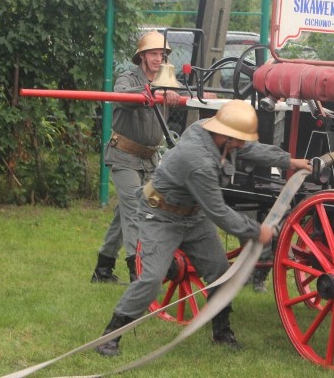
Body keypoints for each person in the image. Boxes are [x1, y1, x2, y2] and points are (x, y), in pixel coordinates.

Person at [95, 99, 311, 355]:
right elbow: (219, 212)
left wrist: (289, 161)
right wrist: (256, 231)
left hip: (194, 216)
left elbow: (250, 149)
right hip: (161, 215)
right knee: (152, 279)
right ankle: (111, 336)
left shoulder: (216, 134)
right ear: (226, 135)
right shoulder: (197, 160)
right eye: (238, 139)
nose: (241, 144)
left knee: (220, 272)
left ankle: (221, 333)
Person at [91, 31, 182, 284]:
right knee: (136, 211)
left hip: (150, 160)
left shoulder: (167, 79)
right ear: (141, 56)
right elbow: (123, 97)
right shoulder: (127, 78)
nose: (158, 58)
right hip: (123, 157)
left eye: (162, 54)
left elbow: (179, 92)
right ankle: (137, 272)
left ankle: (103, 269)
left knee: (127, 211)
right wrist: (152, 89)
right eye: (154, 53)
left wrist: (171, 93)